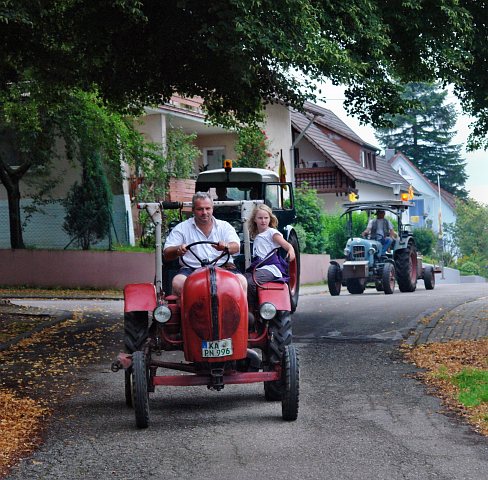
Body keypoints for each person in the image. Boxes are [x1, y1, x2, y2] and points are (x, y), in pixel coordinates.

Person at [163, 192, 246, 297]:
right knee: (178, 282)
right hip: (191, 269)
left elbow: (236, 246)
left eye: (207, 208)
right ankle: (184, 308)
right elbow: (167, 253)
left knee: (241, 281)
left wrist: (226, 246)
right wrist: (178, 249)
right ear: (193, 210)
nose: (204, 212)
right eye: (200, 209)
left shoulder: (225, 226)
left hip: (224, 267)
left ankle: (238, 308)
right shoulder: (182, 228)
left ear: (212, 209)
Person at [245, 204, 295, 310]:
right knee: (240, 281)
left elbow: (287, 245)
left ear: (270, 219)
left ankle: (253, 309)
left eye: (266, 218)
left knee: (251, 283)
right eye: (260, 218)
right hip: (259, 268)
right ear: (255, 219)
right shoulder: (257, 235)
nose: (263, 221)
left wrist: (291, 251)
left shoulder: (272, 233)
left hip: (270, 269)